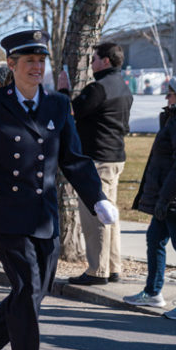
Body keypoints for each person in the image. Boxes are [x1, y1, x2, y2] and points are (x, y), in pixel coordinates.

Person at [0, 29, 118, 350]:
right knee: (28, 290)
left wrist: (97, 198)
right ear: (11, 65)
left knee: (35, 292)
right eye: (29, 60)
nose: (36, 67)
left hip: (43, 217)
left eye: (41, 61)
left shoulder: (58, 106)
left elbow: (74, 160)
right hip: (3, 215)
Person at [56, 42, 133, 285]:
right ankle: (113, 266)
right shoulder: (123, 86)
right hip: (115, 157)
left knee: (95, 212)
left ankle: (97, 270)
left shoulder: (98, 88)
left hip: (98, 159)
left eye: (94, 59)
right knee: (110, 214)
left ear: (106, 61)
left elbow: (69, 112)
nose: (91, 64)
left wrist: (63, 92)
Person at [125, 77, 176, 314]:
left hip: (171, 199)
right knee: (155, 240)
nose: (167, 97)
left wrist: (165, 199)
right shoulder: (171, 118)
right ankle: (153, 292)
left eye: (171, 93)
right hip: (164, 199)